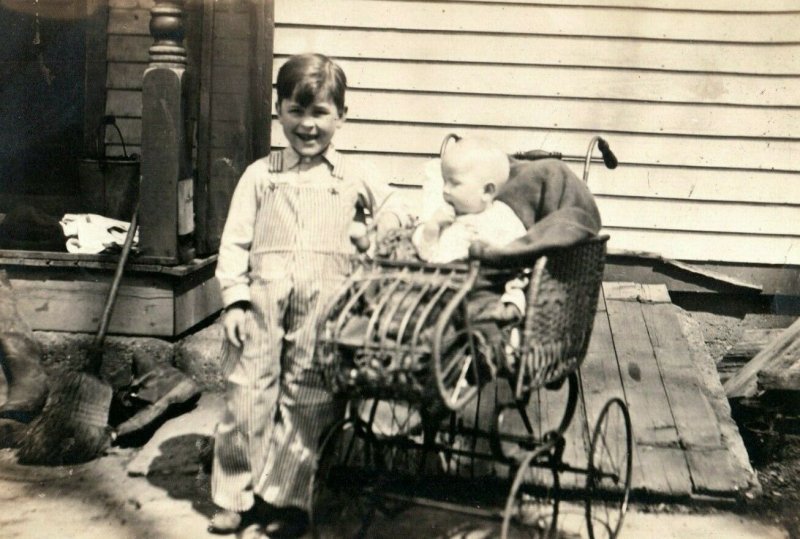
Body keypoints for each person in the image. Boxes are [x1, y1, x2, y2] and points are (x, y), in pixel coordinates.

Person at [209, 53, 407, 537]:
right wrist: (234, 300)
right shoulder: (262, 174)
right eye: (296, 111)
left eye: (319, 112)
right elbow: (234, 242)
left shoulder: (354, 176)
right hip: (261, 303)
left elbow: (399, 213)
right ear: (278, 110)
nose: (307, 125)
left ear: (342, 115)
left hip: (326, 305)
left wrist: (379, 230)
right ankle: (235, 495)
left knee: (310, 395)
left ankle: (288, 496)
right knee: (246, 394)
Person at [412, 135, 527, 322]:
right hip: (437, 290)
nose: (446, 190)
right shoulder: (443, 216)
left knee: (487, 316)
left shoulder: (501, 220)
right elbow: (425, 255)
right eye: (444, 181)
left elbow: (518, 260)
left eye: (454, 183)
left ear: (487, 191)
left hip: (481, 292)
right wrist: (432, 228)